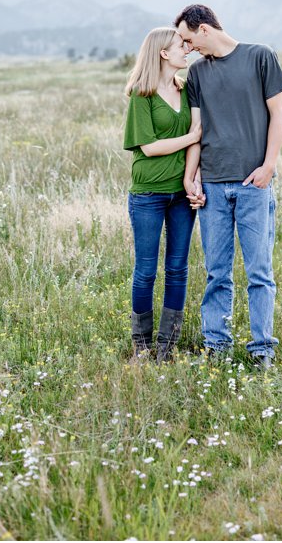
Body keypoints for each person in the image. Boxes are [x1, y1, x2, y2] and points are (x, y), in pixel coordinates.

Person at [175, 4, 282, 369]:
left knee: (259, 272)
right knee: (216, 273)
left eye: (190, 39)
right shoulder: (196, 75)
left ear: (205, 29)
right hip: (213, 186)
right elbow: (196, 132)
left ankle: (262, 350)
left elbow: (278, 115)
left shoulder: (260, 57)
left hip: (254, 183)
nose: (188, 47)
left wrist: (268, 166)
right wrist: (190, 176)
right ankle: (217, 347)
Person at [122, 27, 201, 362]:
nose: (188, 49)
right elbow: (150, 148)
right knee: (146, 270)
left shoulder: (186, 90)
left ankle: (167, 346)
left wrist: (189, 180)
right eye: (181, 46)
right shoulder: (143, 95)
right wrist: (192, 136)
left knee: (178, 268)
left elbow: (198, 139)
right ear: (163, 54)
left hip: (181, 196)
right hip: (148, 195)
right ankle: (141, 344)